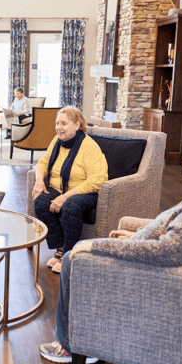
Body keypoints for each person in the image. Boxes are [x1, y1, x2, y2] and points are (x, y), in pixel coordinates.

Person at [38, 128, 182, 364]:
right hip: (149, 250)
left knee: (72, 259)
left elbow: (169, 251)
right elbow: (175, 227)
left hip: (157, 272)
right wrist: (137, 234)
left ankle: (70, 346)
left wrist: (100, 247)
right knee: (78, 251)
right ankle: (93, 337)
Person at [32, 106, 108, 274]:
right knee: (40, 202)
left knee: (70, 206)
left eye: (64, 123)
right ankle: (60, 248)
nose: (59, 127)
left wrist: (64, 197)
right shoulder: (57, 141)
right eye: (57, 123)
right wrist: (39, 181)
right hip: (59, 188)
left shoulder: (88, 146)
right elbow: (43, 162)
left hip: (83, 191)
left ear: (77, 124)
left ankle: (69, 253)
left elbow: (97, 181)